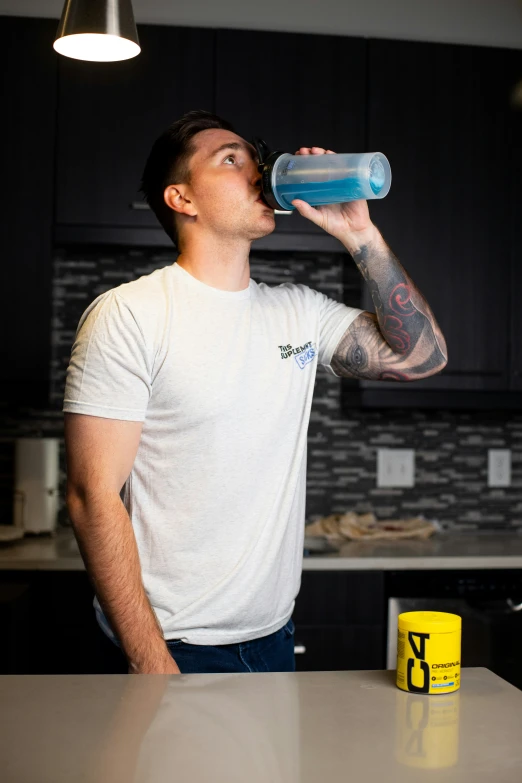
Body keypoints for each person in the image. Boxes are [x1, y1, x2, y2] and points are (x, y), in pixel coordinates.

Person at [63, 110, 447, 675]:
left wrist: (361, 235)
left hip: (271, 639)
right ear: (182, 198)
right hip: (169, 644)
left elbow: (422, 356)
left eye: (256, 157)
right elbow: (91, 497)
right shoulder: (129, 315)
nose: (258, 171)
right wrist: (152, 661)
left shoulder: (299, 311)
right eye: (231, 159)